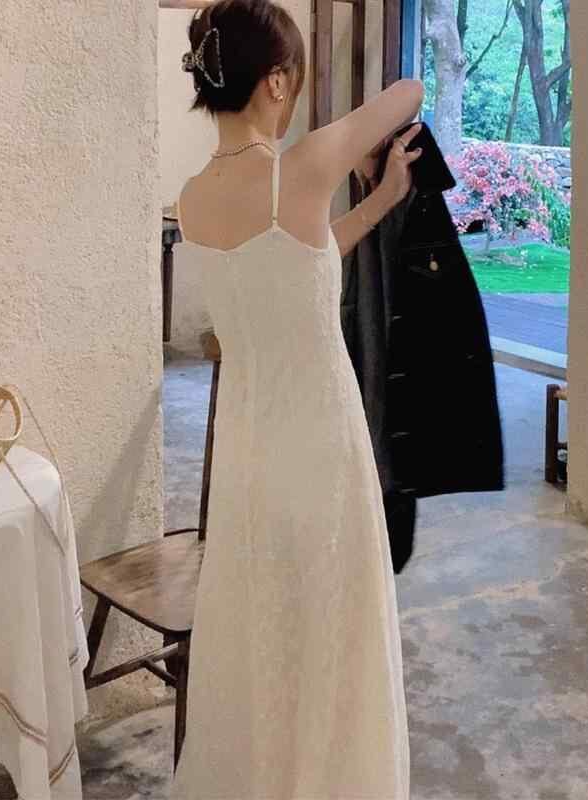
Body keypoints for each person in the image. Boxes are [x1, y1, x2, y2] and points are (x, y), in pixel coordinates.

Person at [169, 1, 424, 797]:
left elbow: (298, 265)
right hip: (319, 444)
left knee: (262, 624)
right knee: (331, 621)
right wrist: (368, 146)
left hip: (249, 451)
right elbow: (410, 91)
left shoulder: (193, 197)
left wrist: (378, 202)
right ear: (277, 81)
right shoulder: (302, 165)